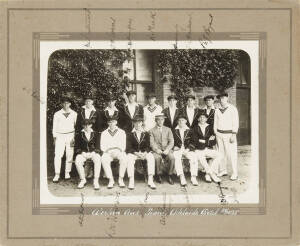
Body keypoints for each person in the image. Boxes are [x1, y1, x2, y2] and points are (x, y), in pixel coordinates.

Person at [214, 92, 239, 180]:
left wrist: (234, 134)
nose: (222, 100)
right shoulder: (217, 110)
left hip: (229, 135)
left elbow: (235, 122)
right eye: (220, 98)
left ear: (227, 98)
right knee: (221, 154)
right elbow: (215, 123)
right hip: (219, 134)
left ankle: (235, 172)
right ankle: (223, 170)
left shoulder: (232, 109)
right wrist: (216, 133)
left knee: (231, 154)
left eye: (223, 98)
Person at [126, 115, 156, 190]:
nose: (137, 124)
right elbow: (128, 148)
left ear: (142, 123)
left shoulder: (146, 133)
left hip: (143, 153)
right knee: (129, 158)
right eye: (135, 123)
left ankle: (150, 179)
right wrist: (136, 153)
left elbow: (148, 146)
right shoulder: (130, 134)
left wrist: (145, 153)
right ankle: (131, 180)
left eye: (139, 122)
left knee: (151, 157)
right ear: (133, 123)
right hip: (134, 153)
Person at [52, 96, 77, 183]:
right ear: (62, 104)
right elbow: (54, 127)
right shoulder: (57, 114)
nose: (65, 105)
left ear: (70, 104)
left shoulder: (74, 113)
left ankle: (67, 172)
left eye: (67, 103)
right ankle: (57, 174)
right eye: (64, 103)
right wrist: (55, 138)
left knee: (69, 155)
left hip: (70, 136)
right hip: (60, 136)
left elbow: (76, 126)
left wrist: (74, 138)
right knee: (58, 155)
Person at [191, 112, 222, 183]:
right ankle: (212, 175)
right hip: (198, 149)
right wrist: (207, 140)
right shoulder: (195, 128)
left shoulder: (210, 127)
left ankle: (208, 173)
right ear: (198, 119)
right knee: (202, 159)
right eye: (200, 117)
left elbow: (213, 141)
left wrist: (202, 140)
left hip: (207, 148)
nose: (202, 119)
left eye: (204, 117)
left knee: (220, 155)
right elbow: (195, 140)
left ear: (206, 119)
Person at [100, 115, 128, 188]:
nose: (111, 124)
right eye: (109, 122)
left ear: (116, 122)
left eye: (113, 122)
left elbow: (123, 145)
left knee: (124, 158)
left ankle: (120, 179)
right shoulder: (104, 133)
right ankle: (110, 179)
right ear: (107, 123)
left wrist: (118, 150)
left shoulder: (122, 132)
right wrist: (108, 151)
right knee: (103, 159)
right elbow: (102, 146)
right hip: (108, 152)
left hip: (119, 151)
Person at [74, 119, 102, 190]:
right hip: (83, 153)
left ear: (91, 125)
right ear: (82, 125)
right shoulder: (79, 134)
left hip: (94, 153)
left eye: (88, 125)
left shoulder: (96, 134)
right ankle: (83, 180)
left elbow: (98, 146)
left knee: (98, 159)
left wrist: (94, 152)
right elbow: (77, 147)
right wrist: (82, 153)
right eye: (85, 125)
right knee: (78, 161)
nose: (86, 126)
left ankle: (96, 180)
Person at [173, 114, 199, 186]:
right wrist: (174, 147)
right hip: (178, 149)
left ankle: (193, 177)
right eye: (179, 121)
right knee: (177, 158)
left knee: (194, 157)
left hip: (188, 149)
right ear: (177, 122)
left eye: (183, 120)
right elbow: (171, 141)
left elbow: (194, 142)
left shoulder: (190, 130)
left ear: (186, 121)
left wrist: (188, 149)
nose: (181, 122)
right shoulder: (174, 130)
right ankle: (182, 176)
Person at [149, 114, 175, 185]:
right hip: (157, 150)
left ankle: (170, 175)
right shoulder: (151, 131)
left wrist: (167, 149)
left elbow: (171, 141)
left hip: (166, 149)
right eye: (158, 120)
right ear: (156, 121)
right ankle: (158, 175)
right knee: (157, 158)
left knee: (171, 157)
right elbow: (152, 143)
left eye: (162, 120)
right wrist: (156, 149)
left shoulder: (168, 129)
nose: (160, 121)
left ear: (164, 120)